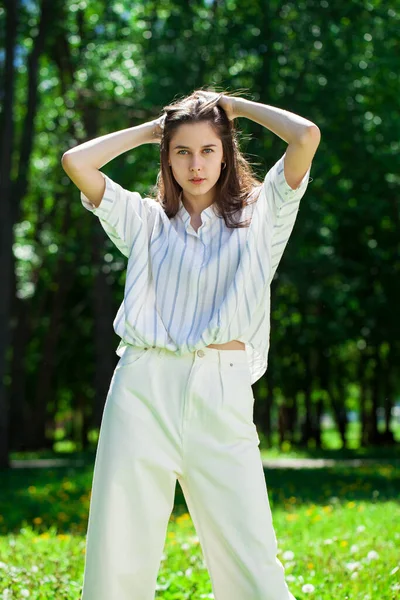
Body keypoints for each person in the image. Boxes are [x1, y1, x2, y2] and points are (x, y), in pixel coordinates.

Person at [61, 89, 320, 600]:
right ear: (167, 157)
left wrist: (237, 108)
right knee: (118, 548)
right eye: (182, 151)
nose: (196, 163)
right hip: (142, 385)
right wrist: (150, 130)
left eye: (207, 150)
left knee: (250, 554)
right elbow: (76, 161)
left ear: (226, 153)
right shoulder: (145, 221)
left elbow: (305, 135)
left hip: (221, 392)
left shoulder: (263, 213)